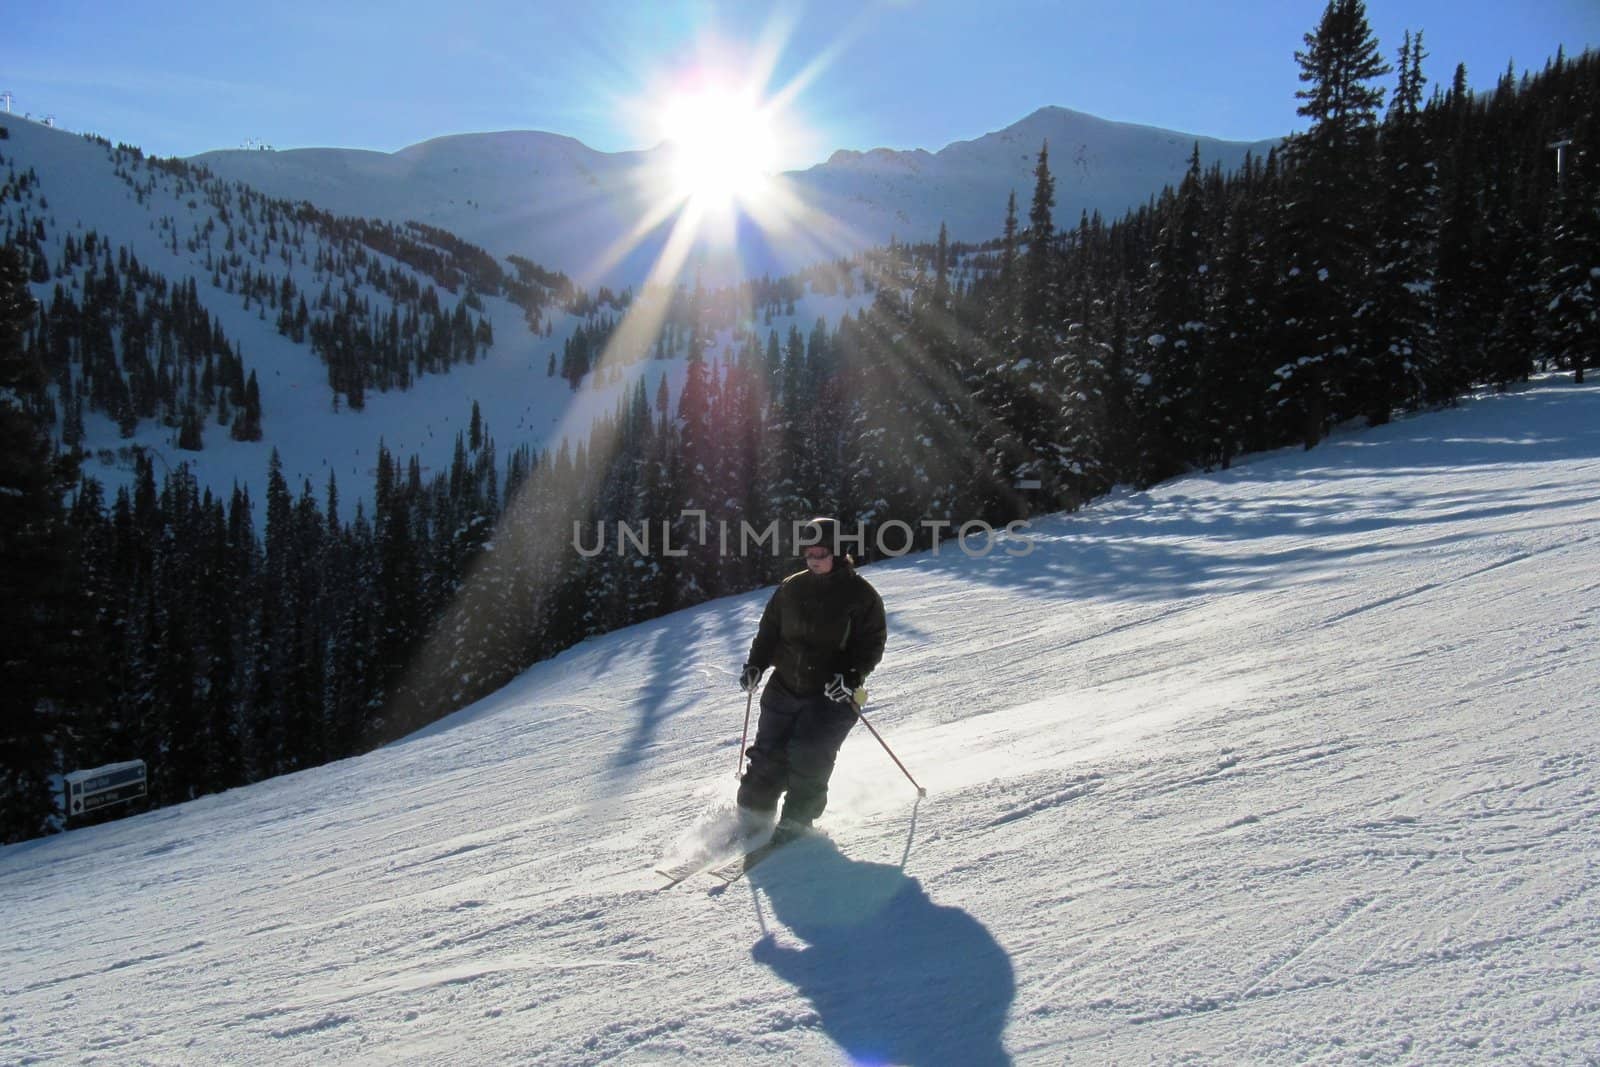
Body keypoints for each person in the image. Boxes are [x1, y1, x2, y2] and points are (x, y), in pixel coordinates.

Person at [737, 517, 887, 844]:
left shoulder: (860, 595)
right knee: (768, 757)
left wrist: (850, 677)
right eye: (809, 553)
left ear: (837, 552)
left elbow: (872, 643)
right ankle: (751, 817)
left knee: (808, 754)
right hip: (785, 687)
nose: (814, 559)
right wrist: (755, 666)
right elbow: (769, 633)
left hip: (833, 694)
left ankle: (797, 821)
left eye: (821, 552)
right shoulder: (791, 588)